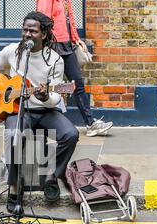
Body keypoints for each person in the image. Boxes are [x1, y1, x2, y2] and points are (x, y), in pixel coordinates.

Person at [0, 11, 79, 212]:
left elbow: (57, 97)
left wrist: (45, 96)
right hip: (19, 111)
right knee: (12, 135)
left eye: (32, 31)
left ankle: (52, 174)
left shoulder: (54, 60)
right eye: (25, 30)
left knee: (71, 134)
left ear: (43, 34)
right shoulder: (13, 51)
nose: (27, 34)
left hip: (45, 110)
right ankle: (15, 188)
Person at [37, 0, 113, 137]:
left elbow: (69, 18)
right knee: (50, 87)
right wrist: (45, 47)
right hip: (53, 46)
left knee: (78, 84)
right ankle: (44, 126)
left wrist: (76, 38)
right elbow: (42, 21)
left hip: (67, 45)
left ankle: (90, 124)